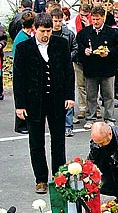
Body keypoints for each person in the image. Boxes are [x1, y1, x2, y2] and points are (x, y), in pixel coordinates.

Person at [13, 13, 75, 194]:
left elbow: (68, 72)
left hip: (56, 100)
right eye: (42, 31)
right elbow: (19, 78)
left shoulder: (61, 44)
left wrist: (69, 96)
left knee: (58, 141)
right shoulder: (24, 48)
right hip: (34, 102)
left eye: (48, 30)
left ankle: (59, 177)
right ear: (35, 29)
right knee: (36, 142)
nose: (45, 34)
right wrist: (20, 105)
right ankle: (40, 179)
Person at [76, 6, 118, 127]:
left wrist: (109, 52)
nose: (96, 22)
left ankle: (109, 118)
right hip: (91, 69)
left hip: (107, 70)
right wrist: (84, 51)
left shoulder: (112, 33)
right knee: (91, 96)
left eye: (98, 19)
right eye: (94, 19)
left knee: (108, 96)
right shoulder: (85, 33)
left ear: (103, 18)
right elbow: (78, 46)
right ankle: (90, 118)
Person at [50, 8, 78, 137]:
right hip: (51, 69)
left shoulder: (68, 34)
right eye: (55, 21)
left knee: (68, 95)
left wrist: (67, 58)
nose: (57, 24)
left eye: (59, 21)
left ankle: (68, 125)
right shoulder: (47, 34)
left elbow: (75, 48)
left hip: (66, 68)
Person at [11, 11, 35, 135]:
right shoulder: (22, 39)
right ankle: (20, 125)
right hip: (21, 72)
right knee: (22, 98)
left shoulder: (23, 35)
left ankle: (24, 123)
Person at [70, 3, 92, 121]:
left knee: (92, 85)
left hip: (91, 59)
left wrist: (88, 27)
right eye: (82, 15)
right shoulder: (73, 23)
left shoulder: (93, 22)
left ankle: (94, 108)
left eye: (86, 15)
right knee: (80, 85)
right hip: (79, 58)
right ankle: (83, 108)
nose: (83, 17)